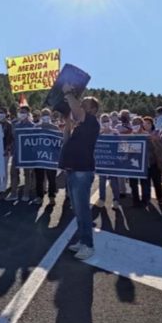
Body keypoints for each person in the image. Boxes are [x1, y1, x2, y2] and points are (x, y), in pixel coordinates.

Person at [59, 88, 101, 261]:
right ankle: (82, 240)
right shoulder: (81, 125)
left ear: (92, 109)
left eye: (85, 103)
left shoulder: (92, 121)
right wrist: (68, 122)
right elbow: (66, 140)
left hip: (83, 171)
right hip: (72, 169)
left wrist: (68, 93)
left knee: (83, 209)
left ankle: (88, 245)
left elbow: (78, 110)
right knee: (77, 209)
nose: (81, 104)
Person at [7, 105, 35, 202]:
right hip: (16, 153)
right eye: (20, 112)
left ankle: (26, 194)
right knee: (13, 173)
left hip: (27, 154)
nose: (22, 114)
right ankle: (14, 193)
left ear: (28, 114)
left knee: (27, 174)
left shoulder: (32, 126)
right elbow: (12, 138)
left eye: (24, 112)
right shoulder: (15, 125)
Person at [33, 108, 59, 204]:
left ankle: (52, 196)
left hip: (50, 158)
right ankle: (39, 196)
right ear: (41, 116)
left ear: (51, 115)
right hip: (39, 158)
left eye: (47, 114)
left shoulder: (55, 128)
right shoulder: (36, 127)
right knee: (39, 178)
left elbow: (58, 144)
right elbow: (33, 142)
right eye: (43, 114)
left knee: (51, 178)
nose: (45, 116)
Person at [96, 113, 121, 210]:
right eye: (103, 121)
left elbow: (121, 144)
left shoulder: (115, 132)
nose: (105, 122)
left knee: (114, 181)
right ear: (101, 122)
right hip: (102, 162)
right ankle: (102, 200)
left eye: (107, 120)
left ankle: (116, 201)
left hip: (113, 162)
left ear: (110, 121)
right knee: (101, 181)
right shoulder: (99, 134)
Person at [0, 107, 14, 192]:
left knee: (4, 169)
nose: (0, 114)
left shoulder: (9, 124)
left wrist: (7, 149)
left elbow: (11, 138)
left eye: (2, 112)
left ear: (6, 114)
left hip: (5, 150)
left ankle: (4, 185)